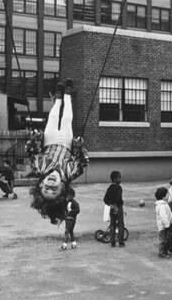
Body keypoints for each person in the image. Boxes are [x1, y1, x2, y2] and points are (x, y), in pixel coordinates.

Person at [27, 79, 89, 224]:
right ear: (62, 188)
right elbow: (83, 161)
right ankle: (67, 94)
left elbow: (31, 151)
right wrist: (79, 146)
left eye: (46, 190)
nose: (50, 187)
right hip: (66, 142)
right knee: (67, 119)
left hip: (49, 140)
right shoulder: (70, 173)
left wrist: (34, 138)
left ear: (40, 185)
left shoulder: (39, 168)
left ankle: (58, 97)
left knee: (53, 118)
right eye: (53, 191)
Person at [103, 171, 126, 247]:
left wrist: (111, 205)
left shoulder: (109, 188)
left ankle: (112, 242)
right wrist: (116, 207)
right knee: (120, 224)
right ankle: (121, 242)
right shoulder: (119, 188)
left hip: (111, 208)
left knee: (112, 224)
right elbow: (118, 198)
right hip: (118, 207)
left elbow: (105, 199)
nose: (120, 179)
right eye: (119, 177)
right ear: (115, 179)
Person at [155, 186, 172, 258]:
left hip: (164, 225)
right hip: (163, 226)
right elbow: (164, 216)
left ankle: (164, 251)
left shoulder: (163, 204)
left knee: (165, 239)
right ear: (163, 196)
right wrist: (167, 224)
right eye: (167, 194)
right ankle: (162, 252)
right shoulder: (162, 205)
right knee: (163, 240)